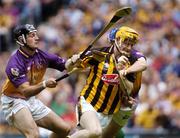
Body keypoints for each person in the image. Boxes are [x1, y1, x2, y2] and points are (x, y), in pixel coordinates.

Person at [0, 24, 79, 138]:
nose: (37, 38)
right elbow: (25, 91)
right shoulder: (14, 64)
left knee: (64, 129)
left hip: (31, 100)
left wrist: (74, 61)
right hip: (14, 101)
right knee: (33, 135)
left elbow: (65, 65)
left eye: (36, 34)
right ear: (22, 40)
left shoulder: (41, 55)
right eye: (32, 35)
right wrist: (45, 84)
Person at [68, 26, 147, 138]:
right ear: (116, 41)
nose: (129, 48)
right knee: (95, 132)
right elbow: (70, 68)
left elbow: (129, 89)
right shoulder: (99, 54)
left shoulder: (131, 60)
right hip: (90, 103)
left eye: (131, 45)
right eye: (126, 43)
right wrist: (72, 61)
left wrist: (122, 72)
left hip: (114, 110)